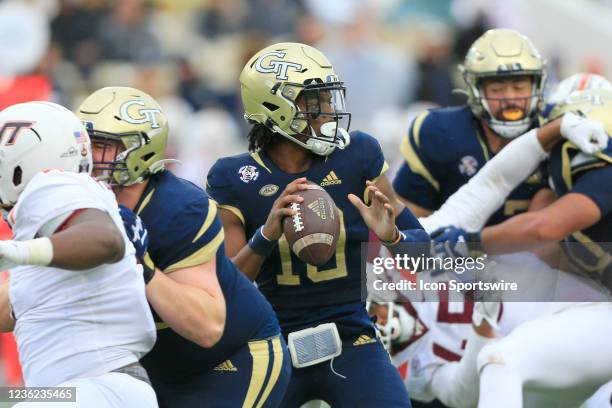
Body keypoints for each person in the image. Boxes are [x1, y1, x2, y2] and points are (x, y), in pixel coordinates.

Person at [207, 42, 421, 407]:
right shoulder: (234, 177)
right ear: (276, 108)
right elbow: (225, 290)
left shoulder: (358, 155)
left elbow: (426, 255)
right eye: (314, 101)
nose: (328, 111)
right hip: (272, 343)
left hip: (353, 337)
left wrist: (392, 236)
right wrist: (266, 234)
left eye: (327, 98)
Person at [78, 86, 290, 408]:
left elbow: (206, 327)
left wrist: (140, 264)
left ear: (140, 151)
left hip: (230, 359)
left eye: (102, 146)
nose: (88, 157)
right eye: (84, 145)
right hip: (153, 372)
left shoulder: (178, 208)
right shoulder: (75, 201)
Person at [430, 88, 612, 407]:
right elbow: (538, 240)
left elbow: (541, 228)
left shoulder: (599, 183)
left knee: (502, 361)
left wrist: (473, 242)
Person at [0, 101, 157, 407]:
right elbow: (11, 308)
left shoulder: (52, 183)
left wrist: (14, 251)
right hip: (81, 389)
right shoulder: (50, 228)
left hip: (94, 386)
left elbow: (104, 241)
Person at [393, 28, 552, 225]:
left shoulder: (555, 127)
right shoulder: (440, 132)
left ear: (537, 86)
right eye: (497, 89)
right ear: (476, 90)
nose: (510, 98)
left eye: (519, 87)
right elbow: (406, 230)